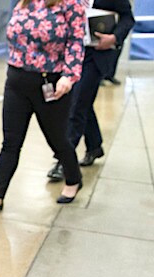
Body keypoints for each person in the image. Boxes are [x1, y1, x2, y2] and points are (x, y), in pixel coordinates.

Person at [0, 0, 86, 217]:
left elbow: (76, 41)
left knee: (57, 139)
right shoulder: (24, 2)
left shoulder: (72, 3)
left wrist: (69, 75)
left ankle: (74, 179)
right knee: (10, 142)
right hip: (16, 81)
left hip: (52, 84)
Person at [47, 0, 134, 180]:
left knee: (76, 104)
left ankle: (64, 161)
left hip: (96, 55)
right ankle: (94, 146)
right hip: (70, 54)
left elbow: (128, 18)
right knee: (81, 102)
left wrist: (114, 37)